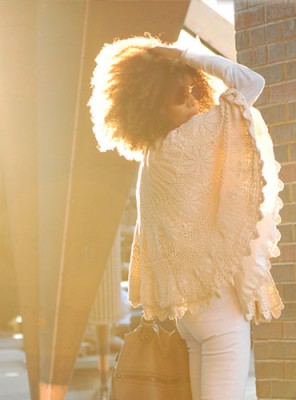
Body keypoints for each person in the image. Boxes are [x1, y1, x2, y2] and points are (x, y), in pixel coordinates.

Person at [89, 36, 284, 399]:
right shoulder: (195, 137)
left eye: (194, 88)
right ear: (154, 104)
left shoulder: (153, 157)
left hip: (190, 318)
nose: (194, 99)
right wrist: (185, 55)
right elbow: (251, 82)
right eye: (181, 94)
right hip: (220, 314)